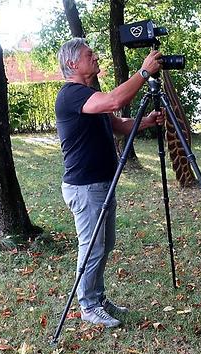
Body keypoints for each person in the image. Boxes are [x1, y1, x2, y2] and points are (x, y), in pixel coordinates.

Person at [55, 38, 164, 328]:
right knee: (92, 247)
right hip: (85, 186)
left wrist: (147, 121)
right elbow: (116, 100)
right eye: (89, 54)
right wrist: (143, 73)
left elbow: (118, 124)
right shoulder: (71, 95)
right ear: (72, 64)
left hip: (103, 183)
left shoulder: (90, 94)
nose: (95, 57)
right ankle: (88, 306)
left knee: (105, 244)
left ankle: (98, 297)